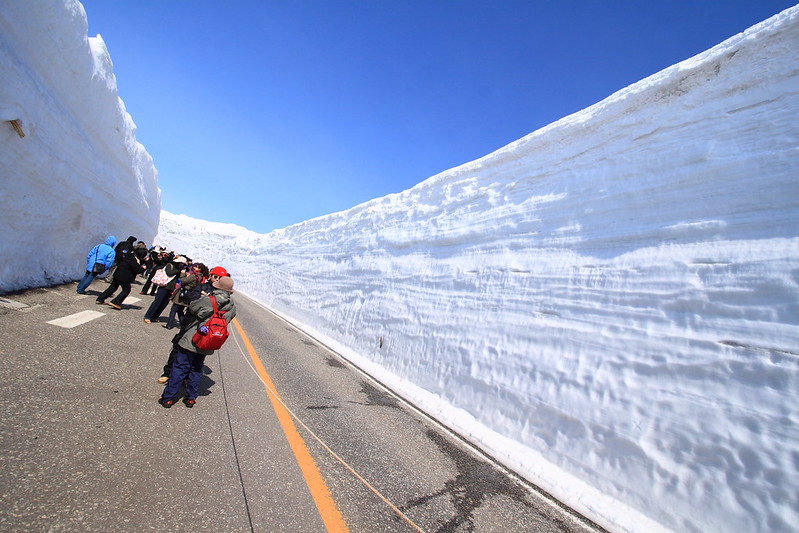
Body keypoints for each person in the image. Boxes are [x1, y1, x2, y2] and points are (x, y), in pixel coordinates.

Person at [159, 275, 236, 408]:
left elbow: (192, 308)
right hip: (208, 341)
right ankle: (190, 398)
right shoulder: (231, 306)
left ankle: (168, 398)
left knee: (180, 367)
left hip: (193, 337)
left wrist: (202, 297)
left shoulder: (208, 299)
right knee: (197, 368)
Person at [158, 265, 227, 383]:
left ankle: (186, 378)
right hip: (190, 323)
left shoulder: (223, 295)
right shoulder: (201, 287)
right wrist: (201, 298)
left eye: (221, 278)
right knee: (178, 348)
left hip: (206, 328)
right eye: (216, 276)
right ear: (210, 276)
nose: (217, 279)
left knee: (197, 354)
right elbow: (190, 299)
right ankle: (168, 372)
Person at [95, 238, 143, 309]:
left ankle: (100, 299)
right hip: (124, 277)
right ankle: (115, 302)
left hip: (117, 274)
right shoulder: (134, 260)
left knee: (112, 288)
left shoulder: (128, 255)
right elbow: (137, 269)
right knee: (126, 290)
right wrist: (142, 268)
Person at [143, 255, 186, 323]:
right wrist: (179, 270)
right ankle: (148, 316)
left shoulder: (179, 269)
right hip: (164, 286)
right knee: (157, 302)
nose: (182, 264)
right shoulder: (170, 265)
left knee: (164, 303)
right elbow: (169, 273)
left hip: (171, 288)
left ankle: (155, 316)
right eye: (182, 263)